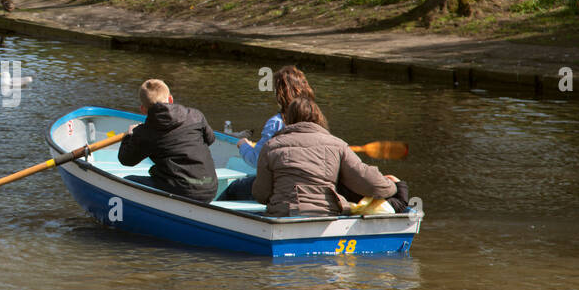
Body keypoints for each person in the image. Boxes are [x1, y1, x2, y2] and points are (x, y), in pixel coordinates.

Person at [252, 97, 396, 217]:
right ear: (318, 118)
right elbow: (369, 182)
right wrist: (393, 186)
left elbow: (261, 194)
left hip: (285, 214)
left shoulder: (271, 146)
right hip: (328, 213)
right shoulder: (338, 145)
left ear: (288, 120)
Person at [219, 65, 316, 201]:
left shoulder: (276, 123)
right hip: (308, 185)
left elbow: (256, 160)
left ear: (279, 93)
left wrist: (243, 145)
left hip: (280, 185)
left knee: (233, 188)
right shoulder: (315, 120)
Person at [118, 78, 218, 203]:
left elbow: (126, 159)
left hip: (183, 191)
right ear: (170, 99)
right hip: (209, 187)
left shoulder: (145, 132)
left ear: (143, 109)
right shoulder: (196, 115)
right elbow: (210, 139)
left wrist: (128, 136)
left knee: (126, 182)